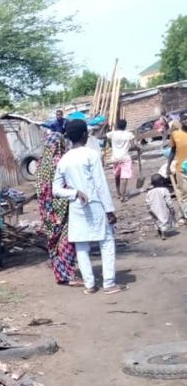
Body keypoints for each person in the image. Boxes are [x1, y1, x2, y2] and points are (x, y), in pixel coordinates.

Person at [53, 119, 124, 295]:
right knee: (106, 242)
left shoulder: (64, 160)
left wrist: (74, 193)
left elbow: (56, 190)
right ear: (85, 135)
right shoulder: (91, 155)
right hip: (95, 205)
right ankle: (108, 283)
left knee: (81, 245)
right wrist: (110, 209)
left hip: (76, 206)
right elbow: (100, 185)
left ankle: (90, 285)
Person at [36, 132, 81, 286]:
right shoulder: (59, 161)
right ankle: (69, 274)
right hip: (61, 210)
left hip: (46, 212)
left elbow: (41, 190)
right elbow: (66, 185)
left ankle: (61, 274)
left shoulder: (40, 163)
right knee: (67, 242)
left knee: (53, 243)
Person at [106, 119, 136, 202]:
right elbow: (133, 146)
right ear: (125, 126)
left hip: (115, 158)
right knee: (124, 177)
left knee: (117, 176)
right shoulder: (129, 134)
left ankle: (118, 193)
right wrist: (138, 148)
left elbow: (105, 137)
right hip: (125, 158)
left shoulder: (112, 134)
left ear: (117, 126)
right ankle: (123, 196)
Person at [146, 174, 176, 240]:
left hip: (153, 208)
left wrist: (148, 209)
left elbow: (147, 201)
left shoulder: (150, 192)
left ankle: (159, 232)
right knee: (164, 220)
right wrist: (171, 208)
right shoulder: (164, 190)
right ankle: (163, 234)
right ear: (161, 181)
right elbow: (168, 200)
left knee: (156, 220)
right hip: (162, 208)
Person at [167, 114, 187, 197]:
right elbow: (172, 151)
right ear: (181, 121)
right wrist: (168, 166)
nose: (186, 121)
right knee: (184, 192)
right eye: (184, 119)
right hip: (181, 168)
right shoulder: (175, 134)